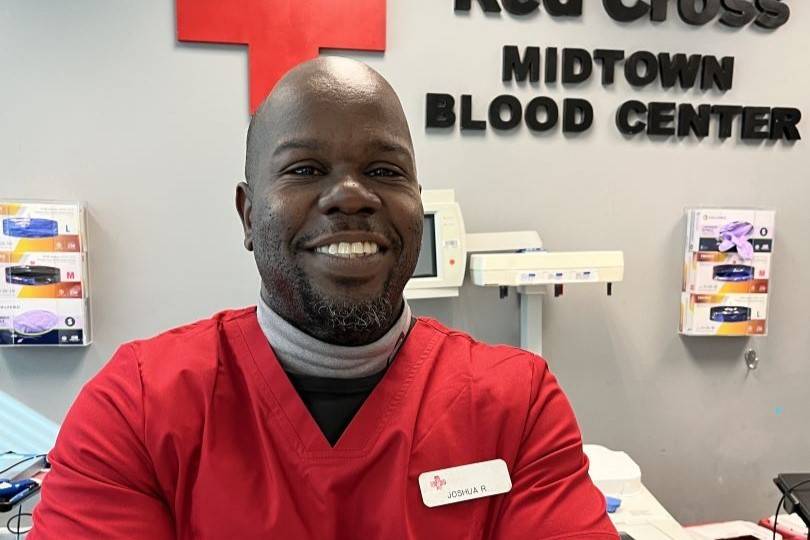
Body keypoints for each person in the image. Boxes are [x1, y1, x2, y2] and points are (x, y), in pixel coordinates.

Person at [29, 57, 618, 539]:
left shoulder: (518, 405)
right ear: (247, 215)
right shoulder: (135, 407)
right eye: (306, 168)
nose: (351, 196)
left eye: (386, 171)